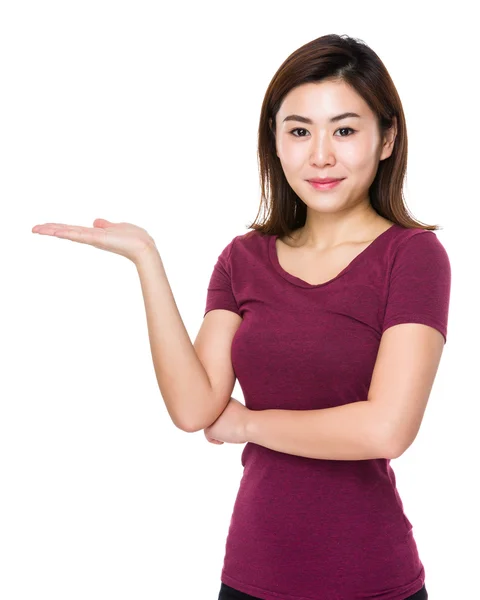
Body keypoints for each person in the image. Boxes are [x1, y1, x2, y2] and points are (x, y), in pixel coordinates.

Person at [32, 33, 450, 599]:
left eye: (345, 130)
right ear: (275, 143)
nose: (320, 154)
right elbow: (195, 406)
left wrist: (247, 424)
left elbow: (387, 428)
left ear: (386, 139)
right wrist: (147, 261)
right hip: (252, 575)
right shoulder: (244, 258)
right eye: (299, 131)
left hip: (369, 578)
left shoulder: (412, 255)